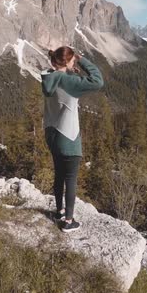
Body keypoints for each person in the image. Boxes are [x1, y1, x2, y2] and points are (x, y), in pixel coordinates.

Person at [41, 46, 104, 232]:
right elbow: (98, 81)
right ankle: (68, 221)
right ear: (69, 61)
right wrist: (81, 60)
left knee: (59, 174)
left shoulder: (46, 77)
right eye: (72, 60)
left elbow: (57, 75)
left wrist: (68, 67)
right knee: (71, 179)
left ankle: (59, 210)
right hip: (67, 136)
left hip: (51, 134)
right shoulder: (72, 81)